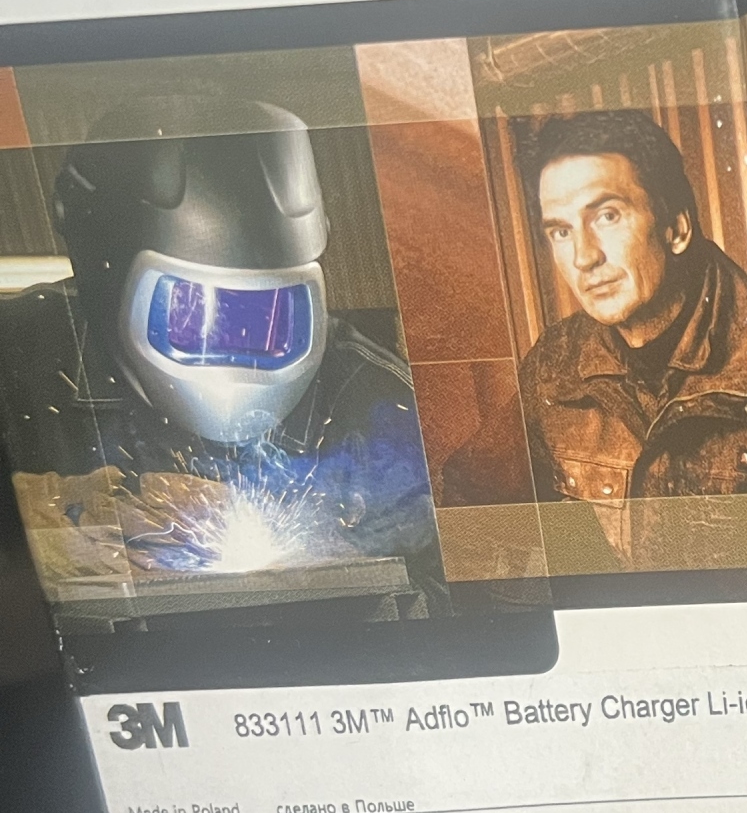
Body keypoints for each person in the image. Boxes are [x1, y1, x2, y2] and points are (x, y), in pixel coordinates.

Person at [0, 96, 436, 580]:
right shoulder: (16, 362)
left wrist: (336, 566)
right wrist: (30, 548)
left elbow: (460, 590)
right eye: (193, 310)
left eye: (265, 314)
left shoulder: (372, 399)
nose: (231, 335)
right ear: (108, 274)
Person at [441, 109, 747, 511]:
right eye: (561, 231)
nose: (583, 257)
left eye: (607, 216)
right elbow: (470, 503)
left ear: (676, 229)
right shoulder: (556, 363)